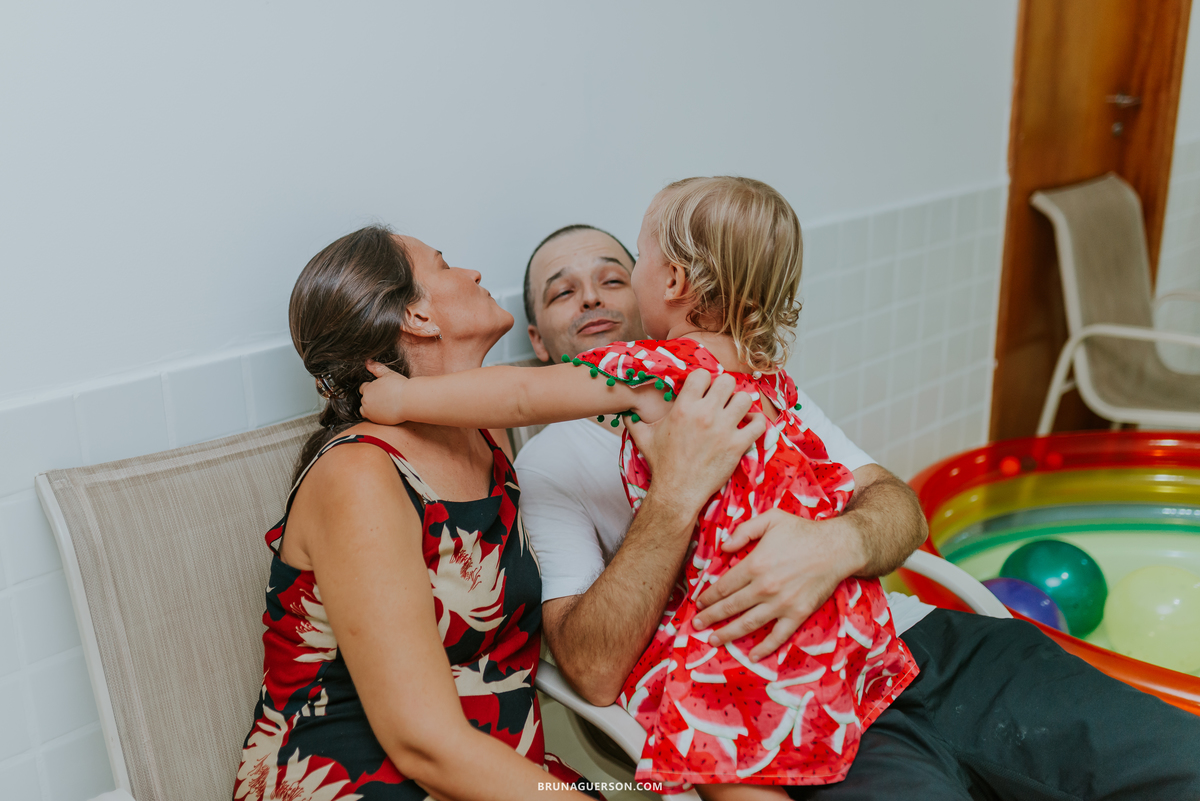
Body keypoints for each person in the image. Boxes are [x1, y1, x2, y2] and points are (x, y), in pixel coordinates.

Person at [512, 206, 1200, 799]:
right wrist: (677, 493)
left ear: (656, 290)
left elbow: (900, 506)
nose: (593, 298)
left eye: (610, 276)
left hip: (926, 642)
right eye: (562, 292)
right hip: (802, 710)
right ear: (539, 341)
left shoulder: (744, 381)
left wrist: (837, 544)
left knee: (1177, 762)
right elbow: (592, 670)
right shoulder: (552, 458)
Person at [358, 177, 924, 798]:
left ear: (672, 283)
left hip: (741, 616)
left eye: (629, 266)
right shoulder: (767, 379)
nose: (596, 301)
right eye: (564, 292)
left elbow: (521, 395)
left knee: (720, 767)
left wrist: (406, 395)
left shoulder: (662, 370)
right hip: (837, 618)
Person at [233, 226, 601, 801]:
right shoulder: (359, 475)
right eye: (446, 263)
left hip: (494, 772)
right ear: (416, 318)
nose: (474, 274)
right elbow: (421, 741)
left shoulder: (485, 432)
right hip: (363, 779)